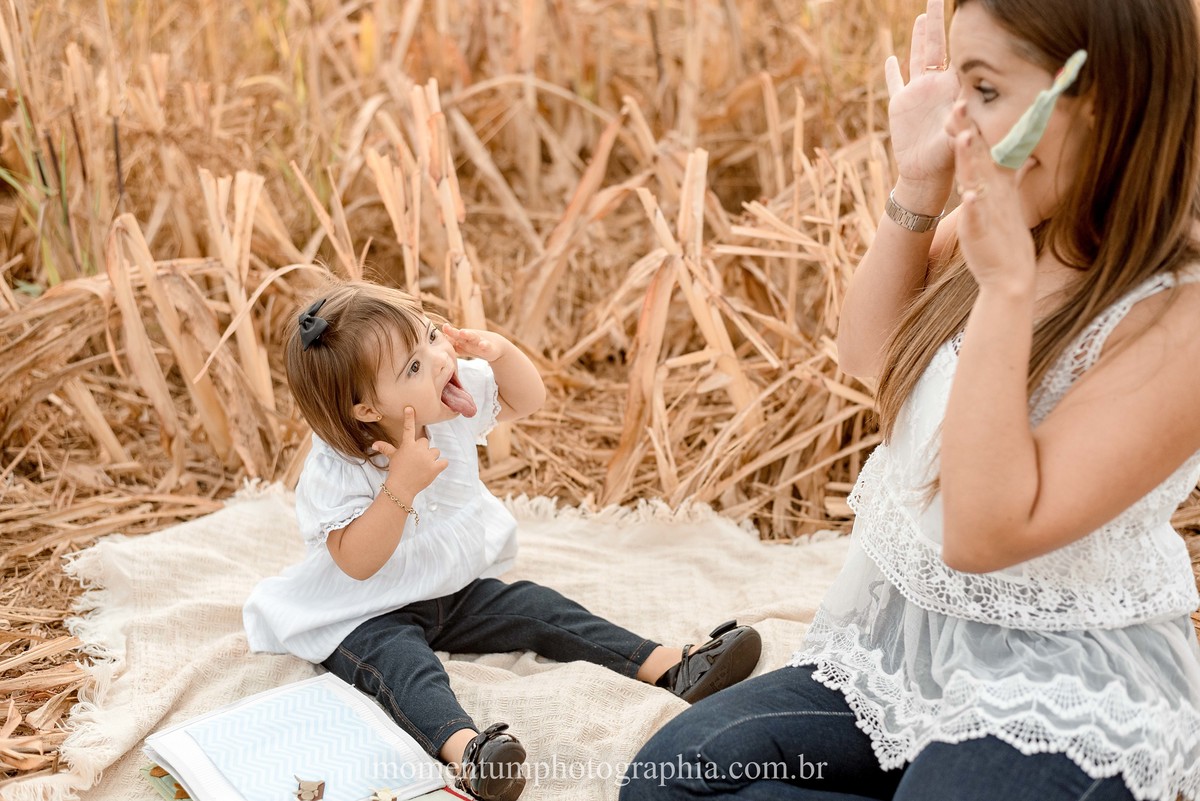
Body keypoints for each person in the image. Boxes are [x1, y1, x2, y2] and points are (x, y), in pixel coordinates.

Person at [619, 0, 1200, 798]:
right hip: (908, 652)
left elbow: (983, 533)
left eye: (986, 90)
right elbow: (867, 355)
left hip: (1061, 685)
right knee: (669, 781)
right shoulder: (1004, 221)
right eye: (956, 84)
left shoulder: (1174, 319)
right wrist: (916, 185)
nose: (957, 118)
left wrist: (1004, 292)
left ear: (1102, 102)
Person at [242, 280, 763, 801]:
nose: (439, 359)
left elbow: (527, 398)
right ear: (365, 410)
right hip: (363, 612)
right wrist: (399, 486)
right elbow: (356, 562)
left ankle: (669, 664)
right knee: (407, 671)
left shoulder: (445, 400)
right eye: (414, 367)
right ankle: (470, 752)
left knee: (539, 609)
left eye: (430, 335)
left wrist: (503, 353)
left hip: (452, 589)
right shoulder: (338, 468)